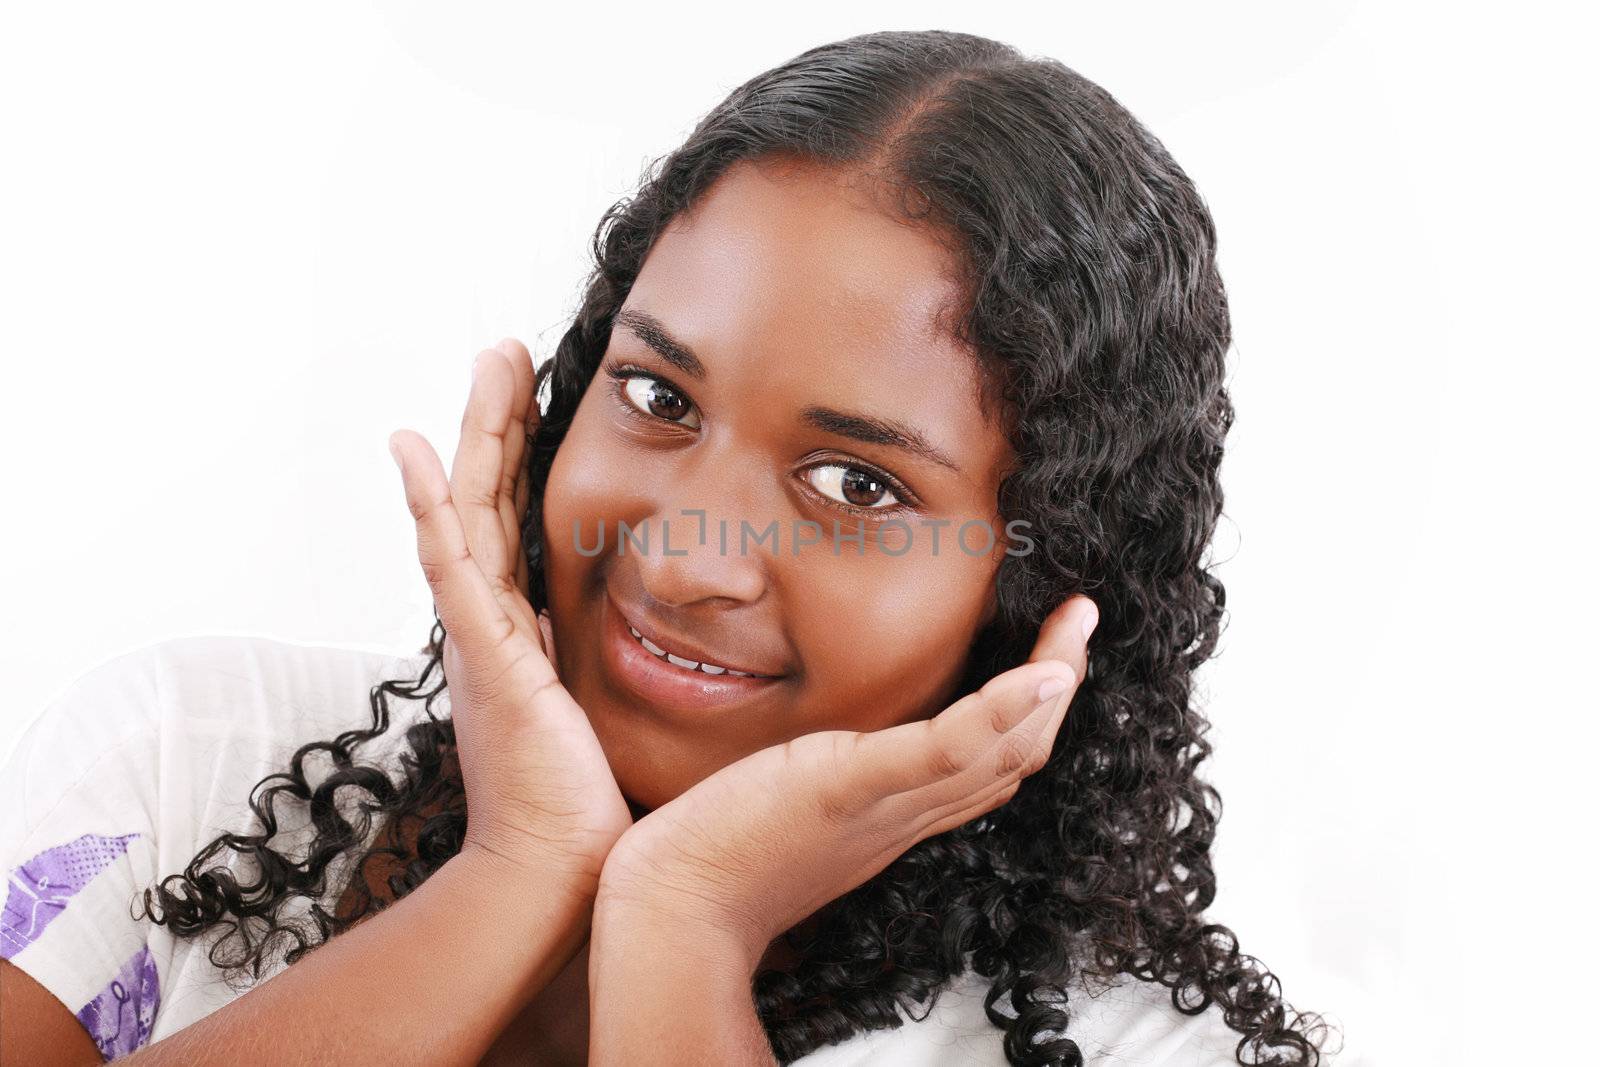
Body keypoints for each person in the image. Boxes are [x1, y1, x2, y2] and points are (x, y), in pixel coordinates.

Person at [0, 28, 1348, 1067]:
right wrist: (519, 864)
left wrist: (686, 922)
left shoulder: (1135, 1049)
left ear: (1044, 582)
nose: (691, 557)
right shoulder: (182, 765)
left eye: (854, 482)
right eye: (657, 396)